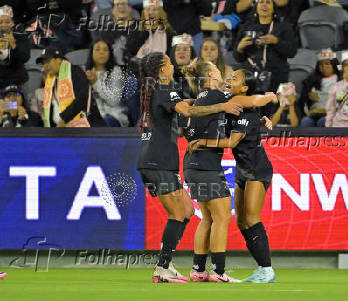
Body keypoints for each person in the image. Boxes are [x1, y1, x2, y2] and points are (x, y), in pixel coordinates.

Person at [137, 52, 245, 283]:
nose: (173, 63)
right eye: (168, 60)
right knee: (179, 213)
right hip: (159, 162)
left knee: (186, 212)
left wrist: (195, 102)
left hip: (157, 161)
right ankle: (162, 268)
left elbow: (184, 107)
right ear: (163, 68)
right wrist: (220, 106)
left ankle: (165, 265)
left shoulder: (158, 90)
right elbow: (188, 112)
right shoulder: (166, 88)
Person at [181, 60, 277, 283]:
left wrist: (270, 97)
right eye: (229, 76)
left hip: (257, 170)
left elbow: (232, 141)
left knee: (251, 219)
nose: (229, 79)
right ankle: (260, 269)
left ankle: (267, 269)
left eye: (235, 79)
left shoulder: (239, 105)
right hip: (243, 172)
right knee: (241, 221)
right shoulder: (229, 105)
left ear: (243, 88)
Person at [233, 0, 297, 117]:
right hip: (251, 77)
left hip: (276, 76)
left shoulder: (283, 27)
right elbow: (238, 57)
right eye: (261, 2)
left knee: (271, 114)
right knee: (250, 114)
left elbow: (292, 51)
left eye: (268, 2)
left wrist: (277, 41)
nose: (264, 5)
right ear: (256, 6)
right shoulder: (246, 27)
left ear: (274, 8)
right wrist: (240, 48)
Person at [36, 46, 106, 127]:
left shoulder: (75, 72)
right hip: (60, 129)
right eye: (43, 63)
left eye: (48, 61)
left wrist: (64, 119)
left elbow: (83, 98)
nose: (45, 66)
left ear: (59, 60)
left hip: (86, 126)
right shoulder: (51, 81)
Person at [85, 39, 129, 127]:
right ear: (91, 53)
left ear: (110, 53)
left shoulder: (116, 71)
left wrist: (96, 83)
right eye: (97, 49)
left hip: (114, 116)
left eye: (105, 50)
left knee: (103, 123)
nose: (101, 52)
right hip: (92, 116)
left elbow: (114, 101)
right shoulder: (86, 72)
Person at [297, 48, 340, 127]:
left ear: (333, 65)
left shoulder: (341, 79)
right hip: (314, 113)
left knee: (323, 122)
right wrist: (308, 97)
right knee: (305, 122)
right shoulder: (311, 80)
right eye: (321, 64)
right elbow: (302, 100)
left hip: (334, 114)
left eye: (327, 64)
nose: (324, 67)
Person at [0, 5, 30, 90]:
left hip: (18, 81)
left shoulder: (21, 37)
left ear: (12, 23)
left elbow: (25, 58)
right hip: (1, 82)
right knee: (3, 104)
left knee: (16, 104)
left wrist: (13, 44)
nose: (3, 25)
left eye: (7, 22)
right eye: (0, 22)